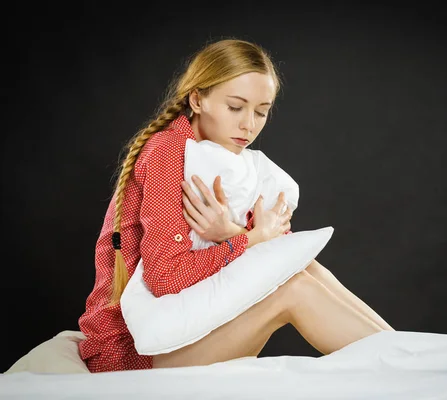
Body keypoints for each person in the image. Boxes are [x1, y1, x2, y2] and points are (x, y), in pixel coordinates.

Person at [78, 38, 395, 373]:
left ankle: (412, 355)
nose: (249, 125)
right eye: (235, 107)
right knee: (292, 290)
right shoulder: (170, 154)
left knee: (302, 268)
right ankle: (409, 367)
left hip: (181, 331)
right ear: (197, 99)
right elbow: (166, 277)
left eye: (261, 111)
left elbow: (275, 247)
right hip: (129, 354)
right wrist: (250, 239)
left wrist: (232, 233)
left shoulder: (227, 159)